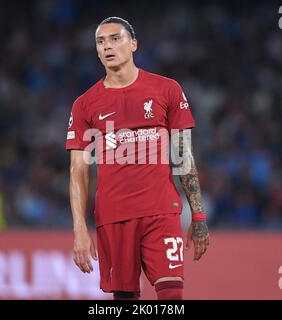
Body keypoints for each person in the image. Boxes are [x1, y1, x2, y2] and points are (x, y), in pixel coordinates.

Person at [66, 17, 210, 300]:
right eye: (100, 41)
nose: (107, 46)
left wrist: (199, 216)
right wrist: (79, 229)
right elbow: (77, 172)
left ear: (133, 44)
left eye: (115, 38)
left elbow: (183, 156)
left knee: (172, 298)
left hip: (161, 212)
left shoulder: (166, 90)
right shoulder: (85, 104)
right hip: (114, 217)